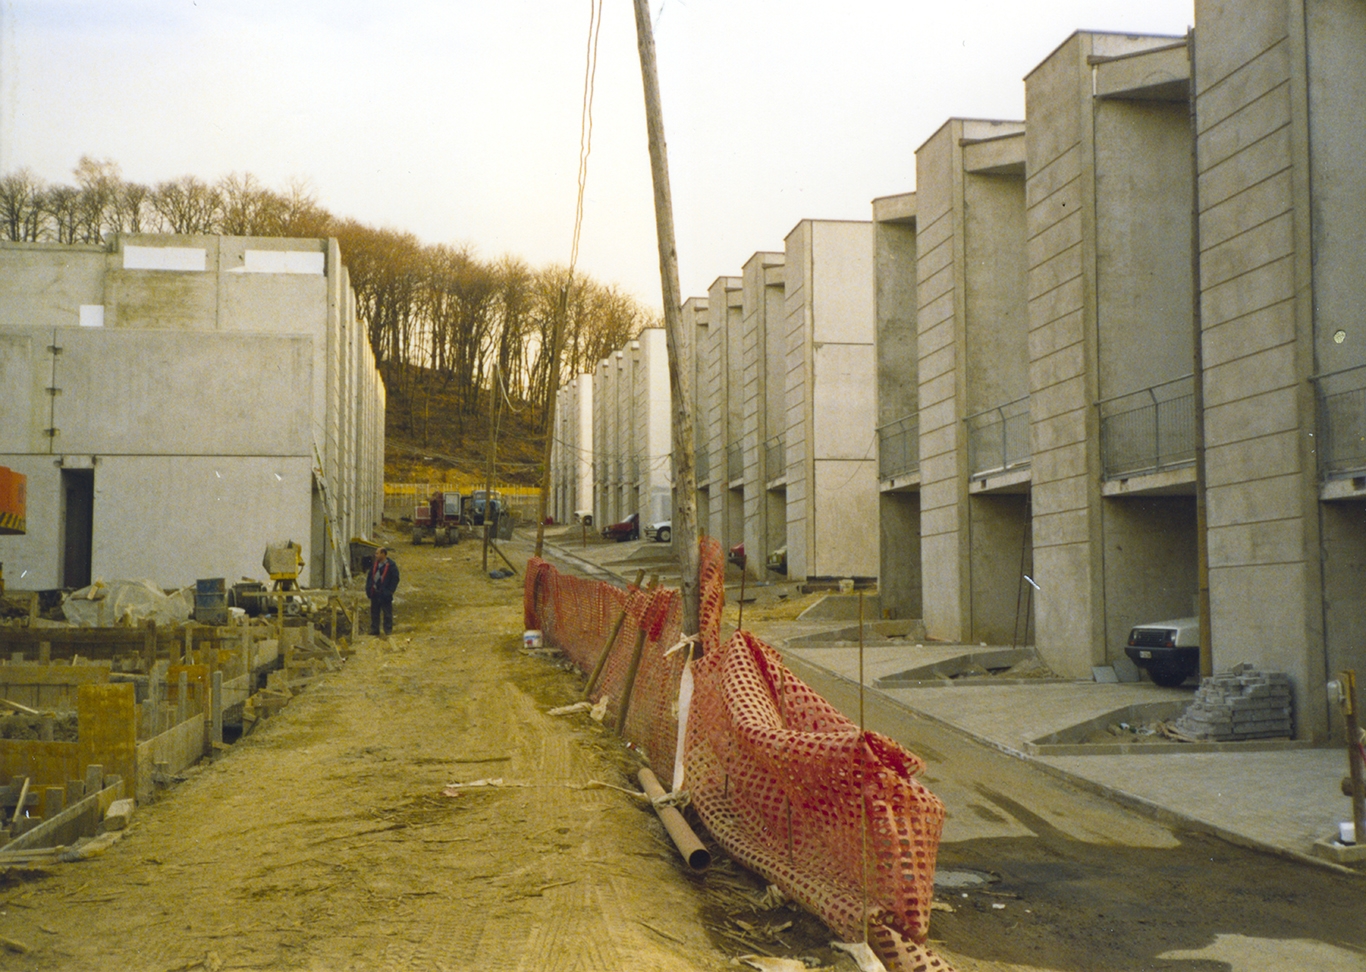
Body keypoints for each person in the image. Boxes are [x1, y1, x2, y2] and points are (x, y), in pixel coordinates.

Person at [365, 546, 400, 636]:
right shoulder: (375, 565)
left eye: (377, 553)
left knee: (387, 613)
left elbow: (395, 579)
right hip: (375, 593)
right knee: (374, 612)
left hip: (385, 594)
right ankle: (375, 629)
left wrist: (390, 591)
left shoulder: (391, 566)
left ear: (383, 554)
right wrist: (369, 589)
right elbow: (370, 577)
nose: (375, 555)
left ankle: (388, 630)